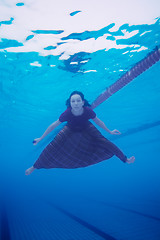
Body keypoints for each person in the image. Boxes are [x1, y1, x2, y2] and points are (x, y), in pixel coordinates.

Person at [25, 91, 135, 175]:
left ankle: (125, 159)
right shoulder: (67, 113)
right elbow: (54, 125)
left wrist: (109, 131)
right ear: (70, 103)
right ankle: (34, 167)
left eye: (78, 101)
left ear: (83, 102)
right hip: (70, 128)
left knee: (105, 142)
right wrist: (41, 138)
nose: (76, 103)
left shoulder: (87, 111)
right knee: (53, 146)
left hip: (86, 127)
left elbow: (98, 122)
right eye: (73, 101)